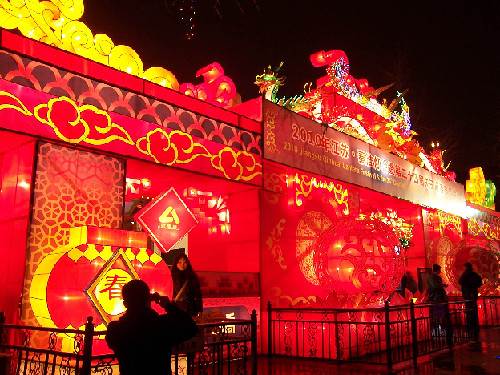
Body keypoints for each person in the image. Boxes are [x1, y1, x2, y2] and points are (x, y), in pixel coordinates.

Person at [105, 279, 198, 375]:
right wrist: (169, 306)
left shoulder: (115, 329)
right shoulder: (162, 324)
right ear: (148, 299)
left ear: (125, 303)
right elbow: (191, 327)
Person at [459, 262, 482, 338]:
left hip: (467, 295)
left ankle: (470, 326)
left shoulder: (465, 275)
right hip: (473, 295)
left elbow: (461, 282)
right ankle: (475, 326)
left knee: (469, 312)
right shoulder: (474, 274)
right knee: (474, 311)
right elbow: (479, 282)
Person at [427, 264, 448, 336]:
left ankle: (439, 326)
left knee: (439, 312)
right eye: (439, 269)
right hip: (436, 298)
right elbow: (435, 286)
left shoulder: (435, 277)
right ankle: (437, 326)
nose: (440, 271)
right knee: (437, 313)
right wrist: (442, 285)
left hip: (438, 297)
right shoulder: (432, 278)